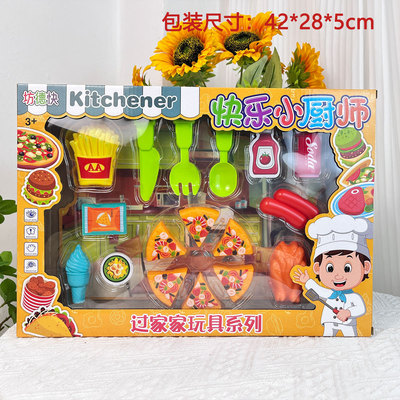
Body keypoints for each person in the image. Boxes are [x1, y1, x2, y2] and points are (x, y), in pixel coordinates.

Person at [293, 215, 372, 337]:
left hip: (347, 323)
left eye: (347, 268)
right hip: (329, 321)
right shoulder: (329, 294)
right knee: (327, 337)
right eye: (330, 268)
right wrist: (307, 281)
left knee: (352, 338)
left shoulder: (354, 297)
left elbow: (360, 309)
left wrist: (348, 312)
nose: (338, 276)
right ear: (317, 268)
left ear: (365, 267)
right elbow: (318, 290)